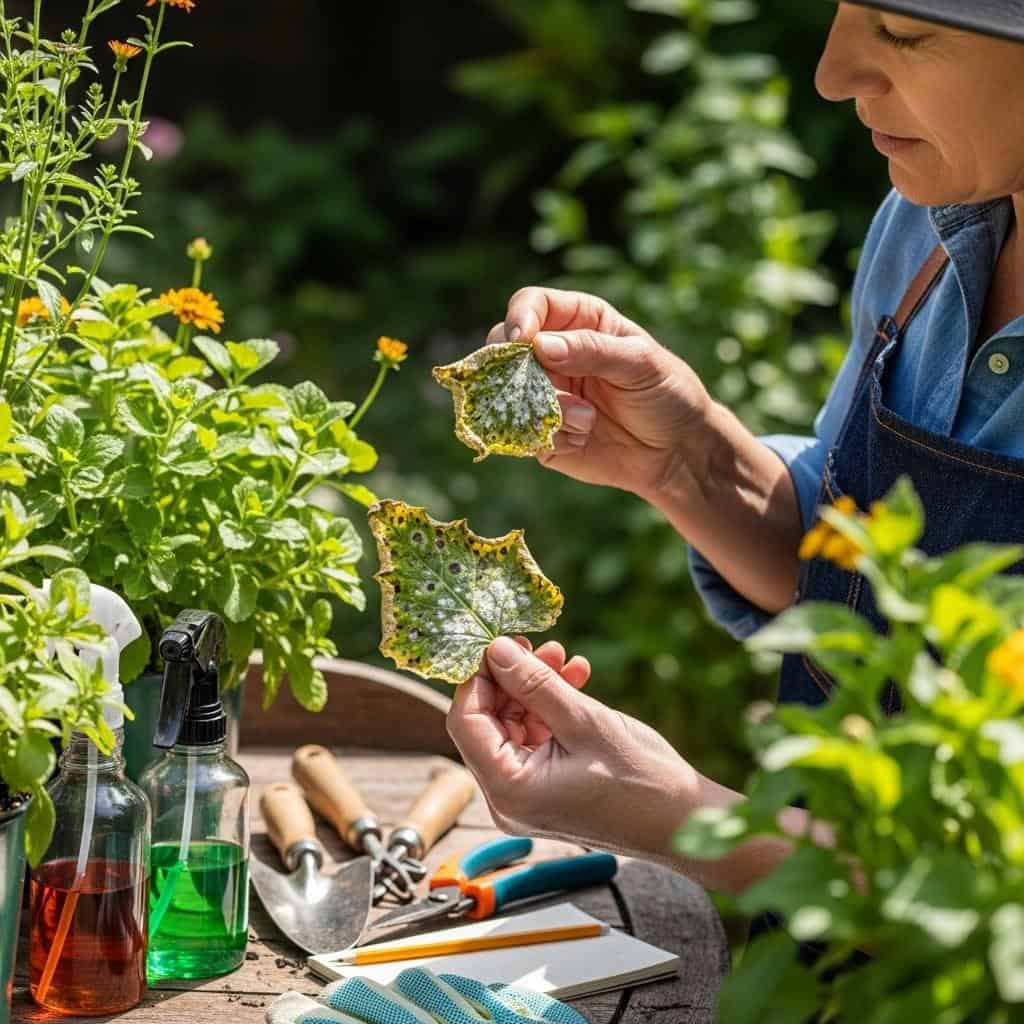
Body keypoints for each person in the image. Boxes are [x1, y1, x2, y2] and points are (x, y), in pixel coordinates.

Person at [445, 0, 1024, 896]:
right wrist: (686, 463)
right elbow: (849, 568)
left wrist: (681, 819)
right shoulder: (932, 225)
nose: (833, 73)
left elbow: (991, 907)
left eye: (903, 33)